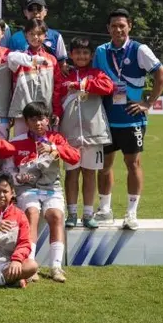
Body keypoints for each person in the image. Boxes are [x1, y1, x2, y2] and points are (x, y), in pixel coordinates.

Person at [93, 9, 163, 230]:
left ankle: (131, 213)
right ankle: (104, 210)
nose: (118, 29)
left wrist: (148, 103)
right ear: (108, 28)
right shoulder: (100, 51)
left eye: (122, 25)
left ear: (130, 26)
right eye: (113, 26)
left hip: (131, 119)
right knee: (104, 165)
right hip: (106, 118)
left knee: (132, 163)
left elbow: (162, 76)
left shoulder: (140, 50)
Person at [6, 101, 79, 283]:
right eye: (33, 120)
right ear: (26, 122)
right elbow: (7, 170)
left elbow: (75, 157)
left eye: (41, 119)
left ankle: (56, 267)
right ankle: (30, 264)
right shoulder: (17, 141)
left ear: (48, 120)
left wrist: (54, 149)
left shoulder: (56, 139)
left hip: (52, 188)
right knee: (32, 213)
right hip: (28, 189)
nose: (38, 123)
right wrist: (17, 179)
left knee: (56, 216)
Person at [53, 37, 114, 229]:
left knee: (89, 174)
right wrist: (55, 116)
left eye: (85, 53)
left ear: (91, 55)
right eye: (77, 52)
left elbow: (108, 87)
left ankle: (88, 214)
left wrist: (83, 85)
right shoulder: (64, 75)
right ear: (71, 54)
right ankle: (71, 213)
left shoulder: (97, 74)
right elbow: (56, 97)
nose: (81, 56)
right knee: (71, 175)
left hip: (93, 134)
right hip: (69, 135)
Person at [7, 19, 59, 135]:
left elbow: (57, 87)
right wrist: (33, 60)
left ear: (45, 35)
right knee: (21, 147)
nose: (35, 37)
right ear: (26, 35)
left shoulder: (52, 59)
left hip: (45, 112)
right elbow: (10, 58)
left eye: (39, 34)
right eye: (32, 34)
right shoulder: (19, 57)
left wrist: (56, 111)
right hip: (22, 113)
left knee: (44, 147)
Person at [7, 0, 68, 74]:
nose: (35, 12)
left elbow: (62, 66)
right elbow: (11, 66)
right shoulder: (15, 38)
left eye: (39, 9)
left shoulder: (56, 36)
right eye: (31, 9)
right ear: (25, 12)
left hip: (48, 82)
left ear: (45, 11)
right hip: (24, 83)